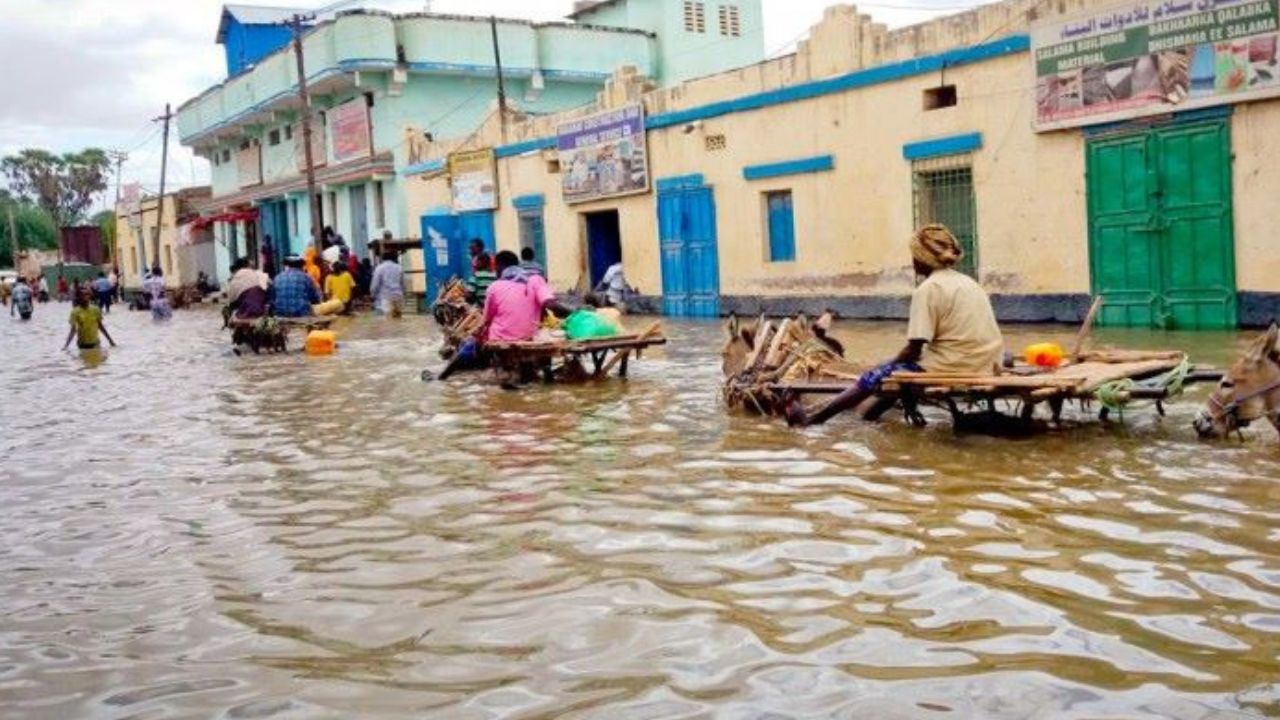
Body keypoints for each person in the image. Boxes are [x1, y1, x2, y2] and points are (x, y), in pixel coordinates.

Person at [787, 224, 1004, 427]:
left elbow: (913, 350)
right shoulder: (969, 282)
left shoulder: (928, 288)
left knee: (874, 376)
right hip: (987, 362)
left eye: (914, 256)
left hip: (953, 365)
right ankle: (869, 417)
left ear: (922, 258)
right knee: (895, 372)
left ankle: (813, 420)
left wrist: (885, 365)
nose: (913, 262)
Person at [481, 250, 564, 344]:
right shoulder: (536, 280)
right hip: (528, 337)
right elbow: (550, 303)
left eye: (495, 267)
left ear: (499, 266)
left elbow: (487, 318)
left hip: (499, 339)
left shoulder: (494, 286)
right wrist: (572, 312)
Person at [370, 250, 405, 317]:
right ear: (393, 258)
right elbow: (403, 284)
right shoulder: (399, 267)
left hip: (386, 296)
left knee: (389, 319)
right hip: (398, 295)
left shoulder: (379, 268)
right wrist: (404, 294)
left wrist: (372, 295)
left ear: (383, 258)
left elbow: (375, 284)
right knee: (398, 317)